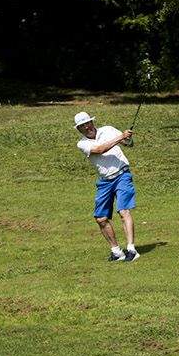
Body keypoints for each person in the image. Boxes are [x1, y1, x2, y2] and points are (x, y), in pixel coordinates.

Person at [73, 111, 139, 261]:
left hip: (122, 174)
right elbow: (100, 150)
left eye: (88, 123)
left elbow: (129, 144)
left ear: (92, 122)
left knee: (123, 211)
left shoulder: (108, 130)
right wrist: (121, 136)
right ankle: (116, 252)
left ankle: (131, 249)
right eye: (82, 126)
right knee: (101, 218)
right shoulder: (82, 143)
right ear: (79, 129)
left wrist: (128, 139)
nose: (87, 127)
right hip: (105, 181)